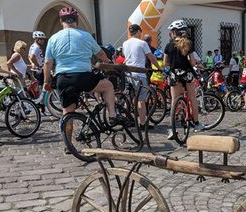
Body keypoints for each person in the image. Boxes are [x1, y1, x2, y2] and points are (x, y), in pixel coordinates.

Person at [43, 7, 123, 153]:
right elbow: (101, 55)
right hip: (83, 77)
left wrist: (46, 82)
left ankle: (68, 145)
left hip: (63, 78)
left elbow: (48, 63)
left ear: (61, 21)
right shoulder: (86, 36)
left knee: (67, 113)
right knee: (108, 86)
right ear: (76, 21)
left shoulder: (53, 38)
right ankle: (112, 115)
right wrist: (110, 64)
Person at [164, 19, 205, 139]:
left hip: (174, 75)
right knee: (192, 98)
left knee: (174, 101)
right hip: (187, 74)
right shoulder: (188, 44)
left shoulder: (168, 45)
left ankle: (172, 129)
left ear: (173, 32)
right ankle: (196, 124)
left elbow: (165, 63)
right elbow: (192, 62)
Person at [123, 24, 161, 129]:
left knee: (133, 98)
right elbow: (151, 57)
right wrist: (159, 67)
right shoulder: (142, 43)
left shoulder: (125, 43)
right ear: (139, 32)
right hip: (139, 74)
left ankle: (132, 119)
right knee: (141, 100)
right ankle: (143, 123)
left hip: (128, 74)